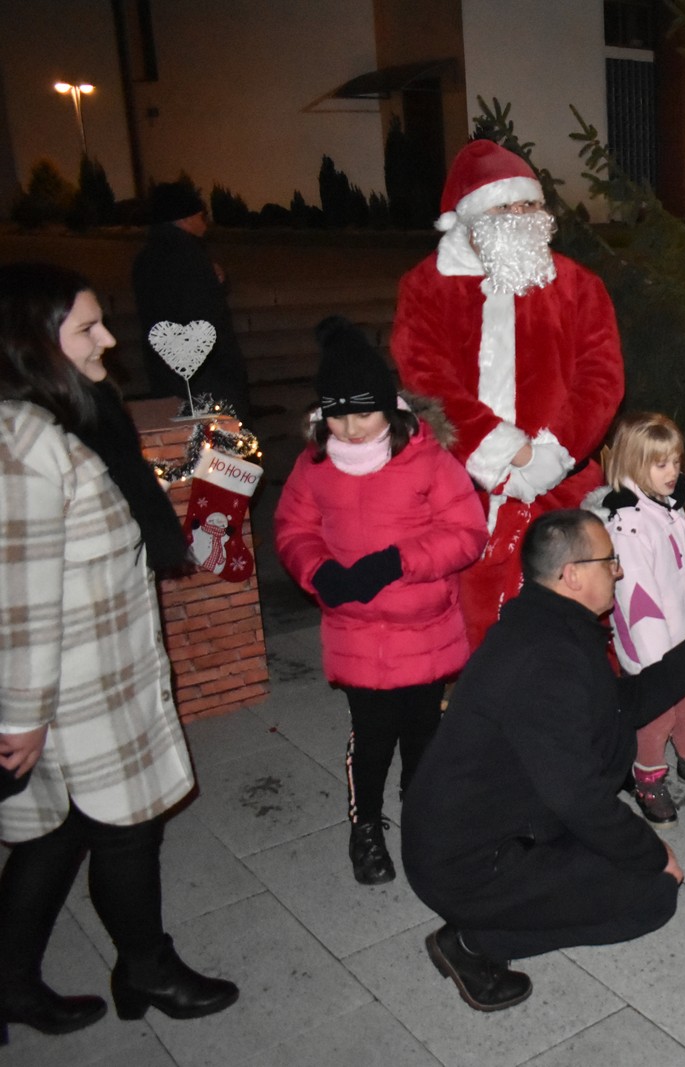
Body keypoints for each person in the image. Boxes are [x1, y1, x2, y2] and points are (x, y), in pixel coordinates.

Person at [0, 262, 237, 1045]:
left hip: (100, 667)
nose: (108, 337)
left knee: (58, 835)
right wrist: (23, 719)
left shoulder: (79, 408)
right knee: (126, 831)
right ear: (35, 344)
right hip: (70, 687)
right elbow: (20, 597)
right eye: (87, 327)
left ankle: (9, 982)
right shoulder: (25, 442)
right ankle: (149, 969)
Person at [400, 509, 685, 1012]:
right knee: (652, 896)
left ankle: (505, 914)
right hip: (471, 864)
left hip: (502, 825)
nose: (619, 572)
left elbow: (619, 706)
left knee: (613, 857)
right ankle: (473, 943)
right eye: (611, 562)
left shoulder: (546, 623)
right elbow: (576, 795)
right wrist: (651, 854)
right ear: (572, 574)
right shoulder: (546, 659)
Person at [273, 316, 487, 885]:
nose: (350, 428)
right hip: (357, 631)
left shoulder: (427, 459)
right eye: (337, 414)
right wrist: (317, 571)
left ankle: (421, 819)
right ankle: (365, 827)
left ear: (389, 407)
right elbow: (293, 530)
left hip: (425, 630)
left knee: (424, 735)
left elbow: (467, 532)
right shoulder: (314, 466)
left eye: (363, 413)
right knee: (370, 741)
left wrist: (396, 561)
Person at [390, 139, 625, 647]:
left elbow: (601, 377)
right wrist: (501, 451)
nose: (521, 216)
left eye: (530, 205)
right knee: (470, 618)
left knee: (573, 619)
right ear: (471, 219)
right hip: (461, 484)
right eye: (505, 206)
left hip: (560, 481)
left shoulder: (579, 285)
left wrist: (551, 454)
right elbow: (425, 377)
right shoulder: (427, 287)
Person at [588, 412, 685, 827]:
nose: (673, 472)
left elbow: (681, 575)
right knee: (657, 715)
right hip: (652, 646)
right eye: (661, 463)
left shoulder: (668, 507)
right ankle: (647, 774)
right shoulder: (628, 524)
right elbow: (637, 599)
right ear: (634, 463)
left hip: (682, 631)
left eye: (676, 461)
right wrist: (658, 665)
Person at [131, 182, 250, 412]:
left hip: (168, 367)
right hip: (206, 372)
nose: (205, 222)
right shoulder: (188, 256)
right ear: (184, 218)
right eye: (201, 215)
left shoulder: (147, 256)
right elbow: (204, 312)